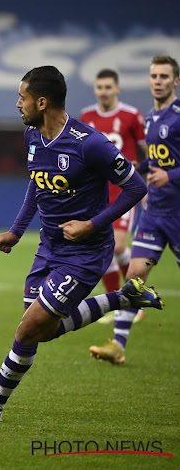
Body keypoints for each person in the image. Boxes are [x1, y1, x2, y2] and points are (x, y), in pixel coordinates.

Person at [0, 66, 162, 423]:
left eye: (22, 97)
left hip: (86, 253)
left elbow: (137, 187)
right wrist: (16, 231)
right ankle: (122, 298)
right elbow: (36, 185)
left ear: (42, 102)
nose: (17, 104)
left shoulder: (90, 143)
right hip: (49, 247)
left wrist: (93, 224)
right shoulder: (32, 137)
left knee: (27, 329)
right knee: (42, 330)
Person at [88, 55, 180, 365]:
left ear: (175, 81)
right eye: (154, 76)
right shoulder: (152, 119)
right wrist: (137, 171)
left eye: (164, 77)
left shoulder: (178, 116)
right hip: (155, 213)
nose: (158, 81)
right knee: (136, 279)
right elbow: (153, 162)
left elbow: (169, 168)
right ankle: (118, 344)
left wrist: (171, 175)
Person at [80, 69, 147, 303]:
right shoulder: (86, 116)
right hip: (97, 193)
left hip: (124, 191)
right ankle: (120, 303)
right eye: (100, 87)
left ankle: (134, 296)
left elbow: (147, 151)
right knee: (104, 252)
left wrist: (146, 181)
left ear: (117, 88)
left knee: (118, 247)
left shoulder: (131, 115)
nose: (104, 92)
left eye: (108, 87)